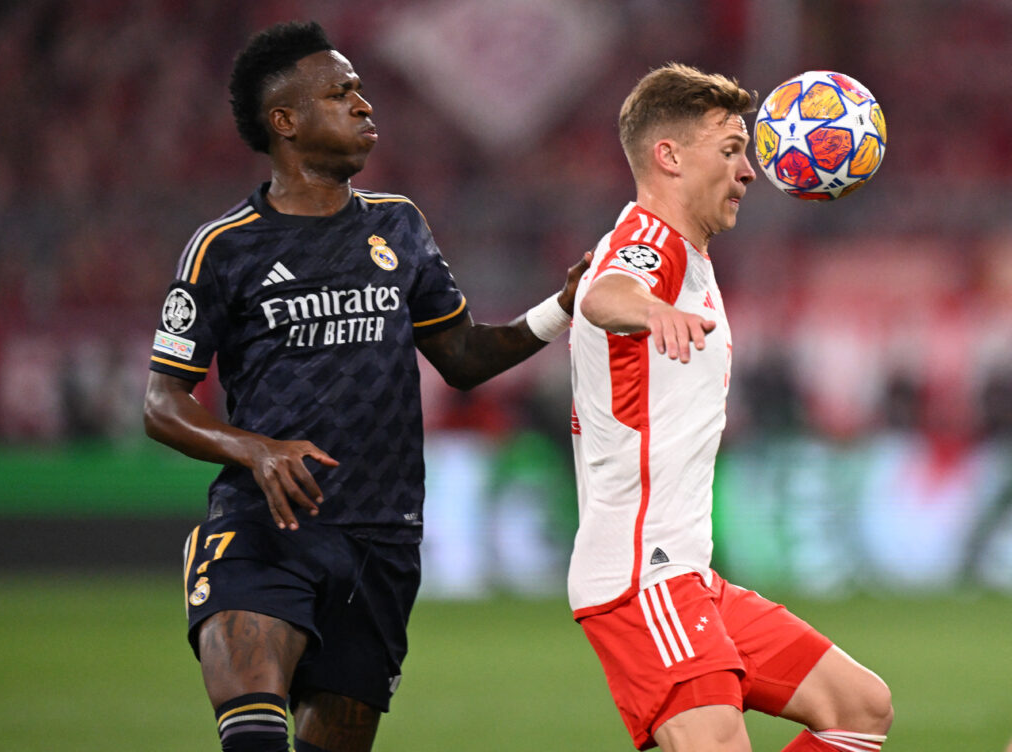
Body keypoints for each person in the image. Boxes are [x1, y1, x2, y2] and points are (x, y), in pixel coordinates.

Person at [143, 20, 588, 752]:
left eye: (359, 88)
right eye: (340, 91)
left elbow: (463, 355)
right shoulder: (223, 248)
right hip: (265, 527)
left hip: (381, 540)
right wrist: (254, 450)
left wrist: (559, 310)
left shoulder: (400, 225)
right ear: (284, 121)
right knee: (252, 737)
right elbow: (162, 403)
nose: (363, 103)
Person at [566, 63, 894, 752]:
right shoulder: (651, 245)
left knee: (859, 708)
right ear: (669, 157)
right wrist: (650, 310)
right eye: (731, 150)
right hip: (641, 576)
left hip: (686, 572)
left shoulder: (684, 252)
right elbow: (608, 295)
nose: (750, 171)